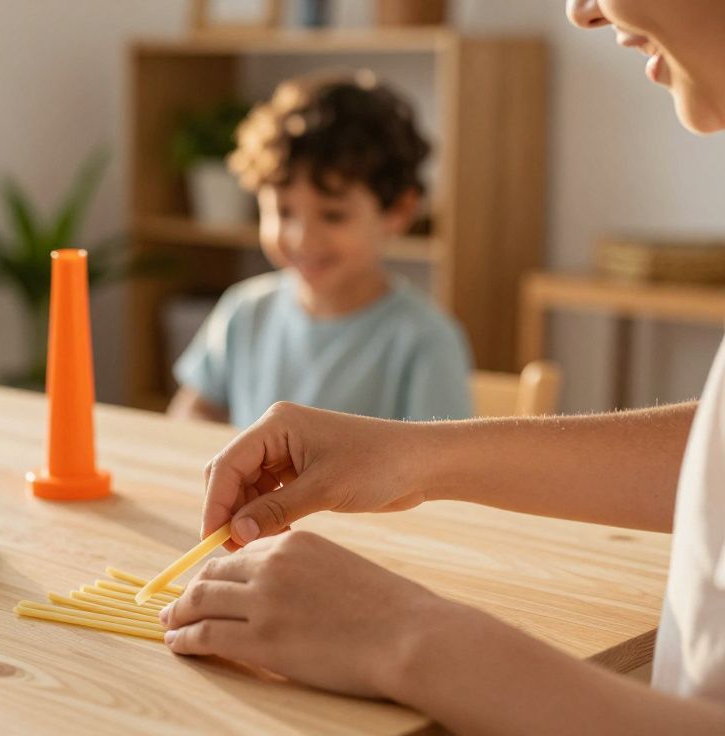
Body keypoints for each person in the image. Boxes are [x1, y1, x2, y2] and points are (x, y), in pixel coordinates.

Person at [158, 1, 725, 732]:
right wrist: (414, 456)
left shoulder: (418, 332)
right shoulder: (247, 307)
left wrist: (404, 634)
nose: (578, 9)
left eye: (329, 212)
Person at [167, 73, 472, 427]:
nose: (302, 239)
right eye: (283, 211)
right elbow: (192, 410)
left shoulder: (424, 340)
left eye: (333, 215)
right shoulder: (245, 311)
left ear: (398, 211)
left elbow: (443, 471)